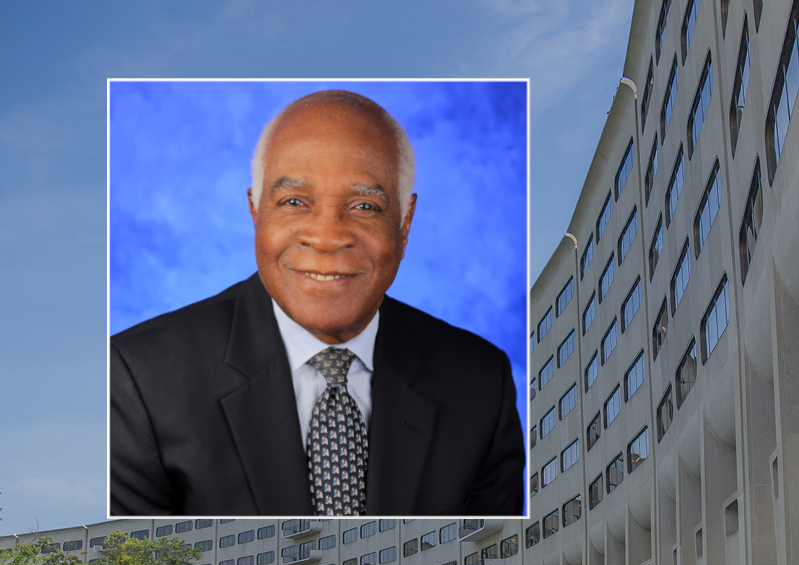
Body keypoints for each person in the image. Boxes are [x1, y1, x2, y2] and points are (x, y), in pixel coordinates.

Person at [110, 90, 525, 516]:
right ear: (255, 211)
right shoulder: (135, 379)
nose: (327, 238)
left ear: (405, 222)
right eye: (294, 202)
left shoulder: (480, 384)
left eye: (365, 206)